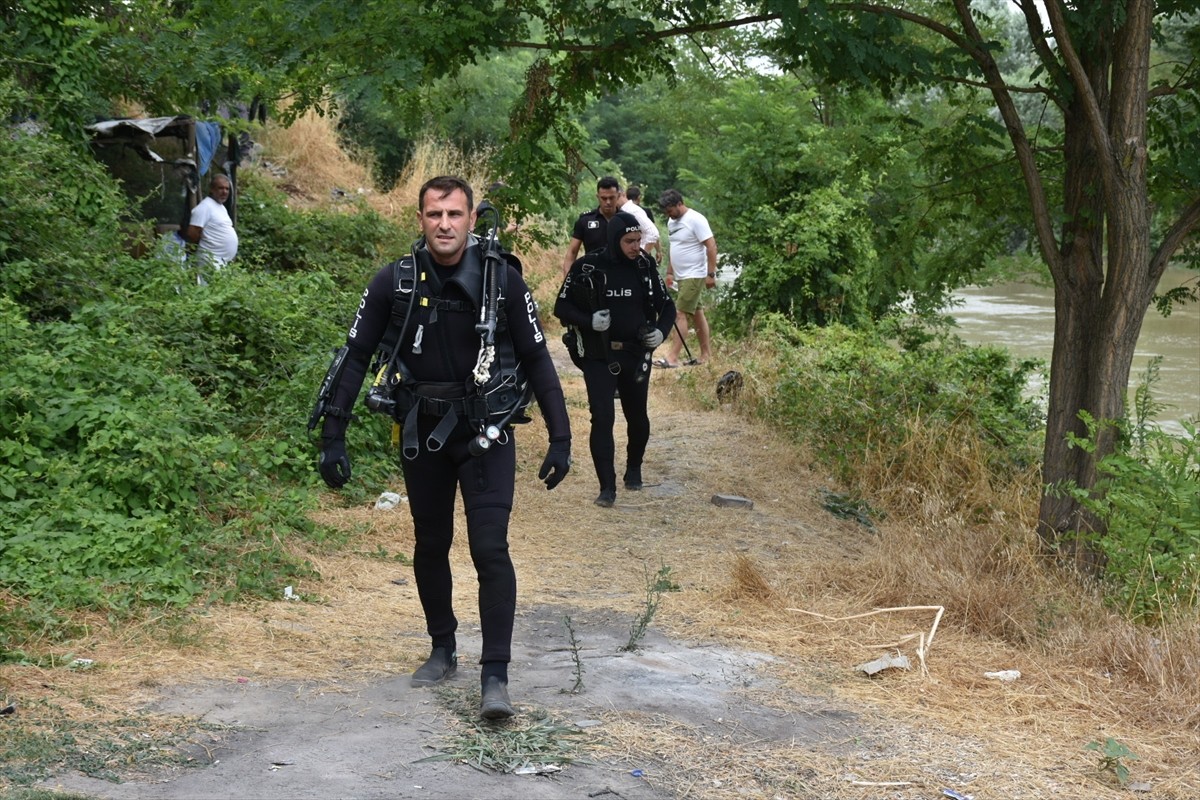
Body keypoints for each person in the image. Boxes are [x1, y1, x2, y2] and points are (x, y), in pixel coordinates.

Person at [313, 176, 572, 720]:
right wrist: (333, 433)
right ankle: (442, 647)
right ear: (421, 219)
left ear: (472, 220)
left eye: (455, 214)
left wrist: (561, 435)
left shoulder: (505, 283)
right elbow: (356, 355)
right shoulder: (395, 282)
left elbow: (537, 358)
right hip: (421, 431)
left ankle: (495, 676)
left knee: (489, 548)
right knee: (431, 543)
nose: (446, 224)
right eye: (435, 215)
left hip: (486, 434)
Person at [554, 211, 675, 508]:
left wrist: (660, 333)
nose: (636, 247)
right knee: (603, 417)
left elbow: (667, 307)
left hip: (636, 352)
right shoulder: (588, 266)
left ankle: (634, 468)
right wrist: (589, 319)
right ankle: (606, 487)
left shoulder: (644, 266)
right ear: (614, 240)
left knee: (637, 415)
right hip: (599, 354)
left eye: (639, 240)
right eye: (629, 241)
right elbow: (561, 307)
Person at [658, 188, 716, 368]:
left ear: (679, 204)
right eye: (666, 212)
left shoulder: (696, 220)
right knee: (698, 314)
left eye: (670, 210)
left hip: (695, 274)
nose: (668, 214)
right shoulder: (671, 221)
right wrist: (669, 272)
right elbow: (674, 248)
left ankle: (672, 357)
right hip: (681, 276)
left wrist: (710, 273)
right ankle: (706, 355)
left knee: (680, 313)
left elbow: (711, 246)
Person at [561, 175, 622, 277]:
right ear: (597, 197)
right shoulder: (585, 220)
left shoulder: (626, 220)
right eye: (604, 198)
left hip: (619, 276)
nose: (608, 202)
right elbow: (572, 252)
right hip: (592, 277)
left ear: (618, 196)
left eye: (611, 198)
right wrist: (568, 281)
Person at [185, 173, 238, 270]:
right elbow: (192, 234)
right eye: (220, 188)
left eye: (227, 189)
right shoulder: (205, 207)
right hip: (209, 261)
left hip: (220, 262)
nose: (225, 192)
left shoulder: (220, 207)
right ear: (212, 189)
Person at [620, 185, 660, 261]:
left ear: (625, 195)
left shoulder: (634, 211)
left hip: (640, 253)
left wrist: (641, 256)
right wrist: (658, 251)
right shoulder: (643, 210)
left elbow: (653, 232)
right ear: (639, 197)